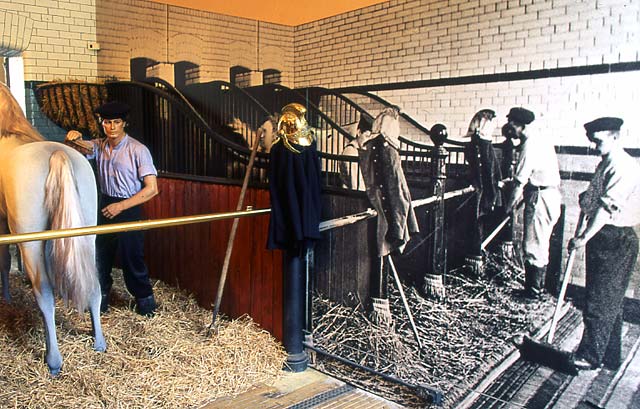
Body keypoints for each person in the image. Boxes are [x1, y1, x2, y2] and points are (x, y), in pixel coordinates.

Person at [65, 101, 159, 316]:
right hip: (105, 206)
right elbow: (77, 148)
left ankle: (145, 302)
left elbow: (152, 189)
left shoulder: (138, 150)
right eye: (108, 122)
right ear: (102, 124)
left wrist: (122, 206)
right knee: (101, 255)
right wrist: (72, 137)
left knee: (131, 257)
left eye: (117, 122)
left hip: (129, 206)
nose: (112, 127)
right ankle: (101, 298)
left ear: (124, 123)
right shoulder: (99, 145)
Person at [569, 117, 640, 370]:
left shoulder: (622, 166)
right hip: (606, 236)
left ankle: (589, 357)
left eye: (598, 141)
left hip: (615, 238)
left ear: (614, 137)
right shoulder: (606, 162)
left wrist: (583, 237)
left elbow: (605, 210)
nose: (594, 146)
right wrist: (585, 199)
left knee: (600, 300)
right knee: (608, 300)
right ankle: (609, 356)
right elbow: (593, 199)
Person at [504, 107, 561, 300]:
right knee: (539, 244)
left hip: (540, 196)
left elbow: (519, 182)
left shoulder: (530, 145)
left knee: (533, 246)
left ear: (517, 125)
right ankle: (536, 289)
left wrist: (508, 207)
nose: (509, 129)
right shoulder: (541, 138)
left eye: (511, 124)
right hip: (548, 195)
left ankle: (533, 293)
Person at [463, 108, 503, 276]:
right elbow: (487, 171)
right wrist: (492, 195)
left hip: (484, 192)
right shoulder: (481, 145)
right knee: (476, 227)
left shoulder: (480, 144)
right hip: (482, 192)